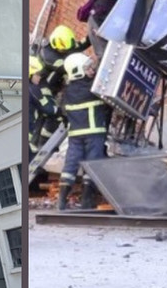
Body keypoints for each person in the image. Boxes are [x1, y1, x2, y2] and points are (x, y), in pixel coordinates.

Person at [57, 52, 110, 210]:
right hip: (94, 134)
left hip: (75, 136)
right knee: (92, 165)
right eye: (88, 68)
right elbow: (108, 102)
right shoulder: (93, 88)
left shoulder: (67, 92)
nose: (92, 71)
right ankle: (87, 201)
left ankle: (61, 201)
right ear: (78, 70)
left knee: (70, 166)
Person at [38, 24, 90, 94]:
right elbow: (69, 68)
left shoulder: (61, 46)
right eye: (65, 50)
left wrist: (91, 36)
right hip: (44, 90)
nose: (68, 51)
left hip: (57, 82)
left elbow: (78, 46)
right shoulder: (50, 57)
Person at [28, 55, 61, 160]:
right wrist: (60, 110)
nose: (39, 77)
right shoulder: (33, 90)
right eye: (37, 74)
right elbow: (49, 109)